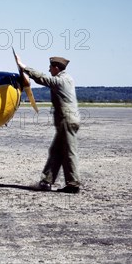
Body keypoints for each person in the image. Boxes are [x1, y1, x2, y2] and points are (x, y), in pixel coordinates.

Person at [16, 55, 81, 193]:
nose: (49, 69)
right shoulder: (68, 78)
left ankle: (73, 184)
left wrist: (25, 68)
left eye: (51, 67)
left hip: (66, 120)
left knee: (69, 151)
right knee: (56, 151)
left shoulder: (60, 80)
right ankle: (46, 181)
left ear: (56, 68)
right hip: (69, 120)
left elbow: (43, 79)